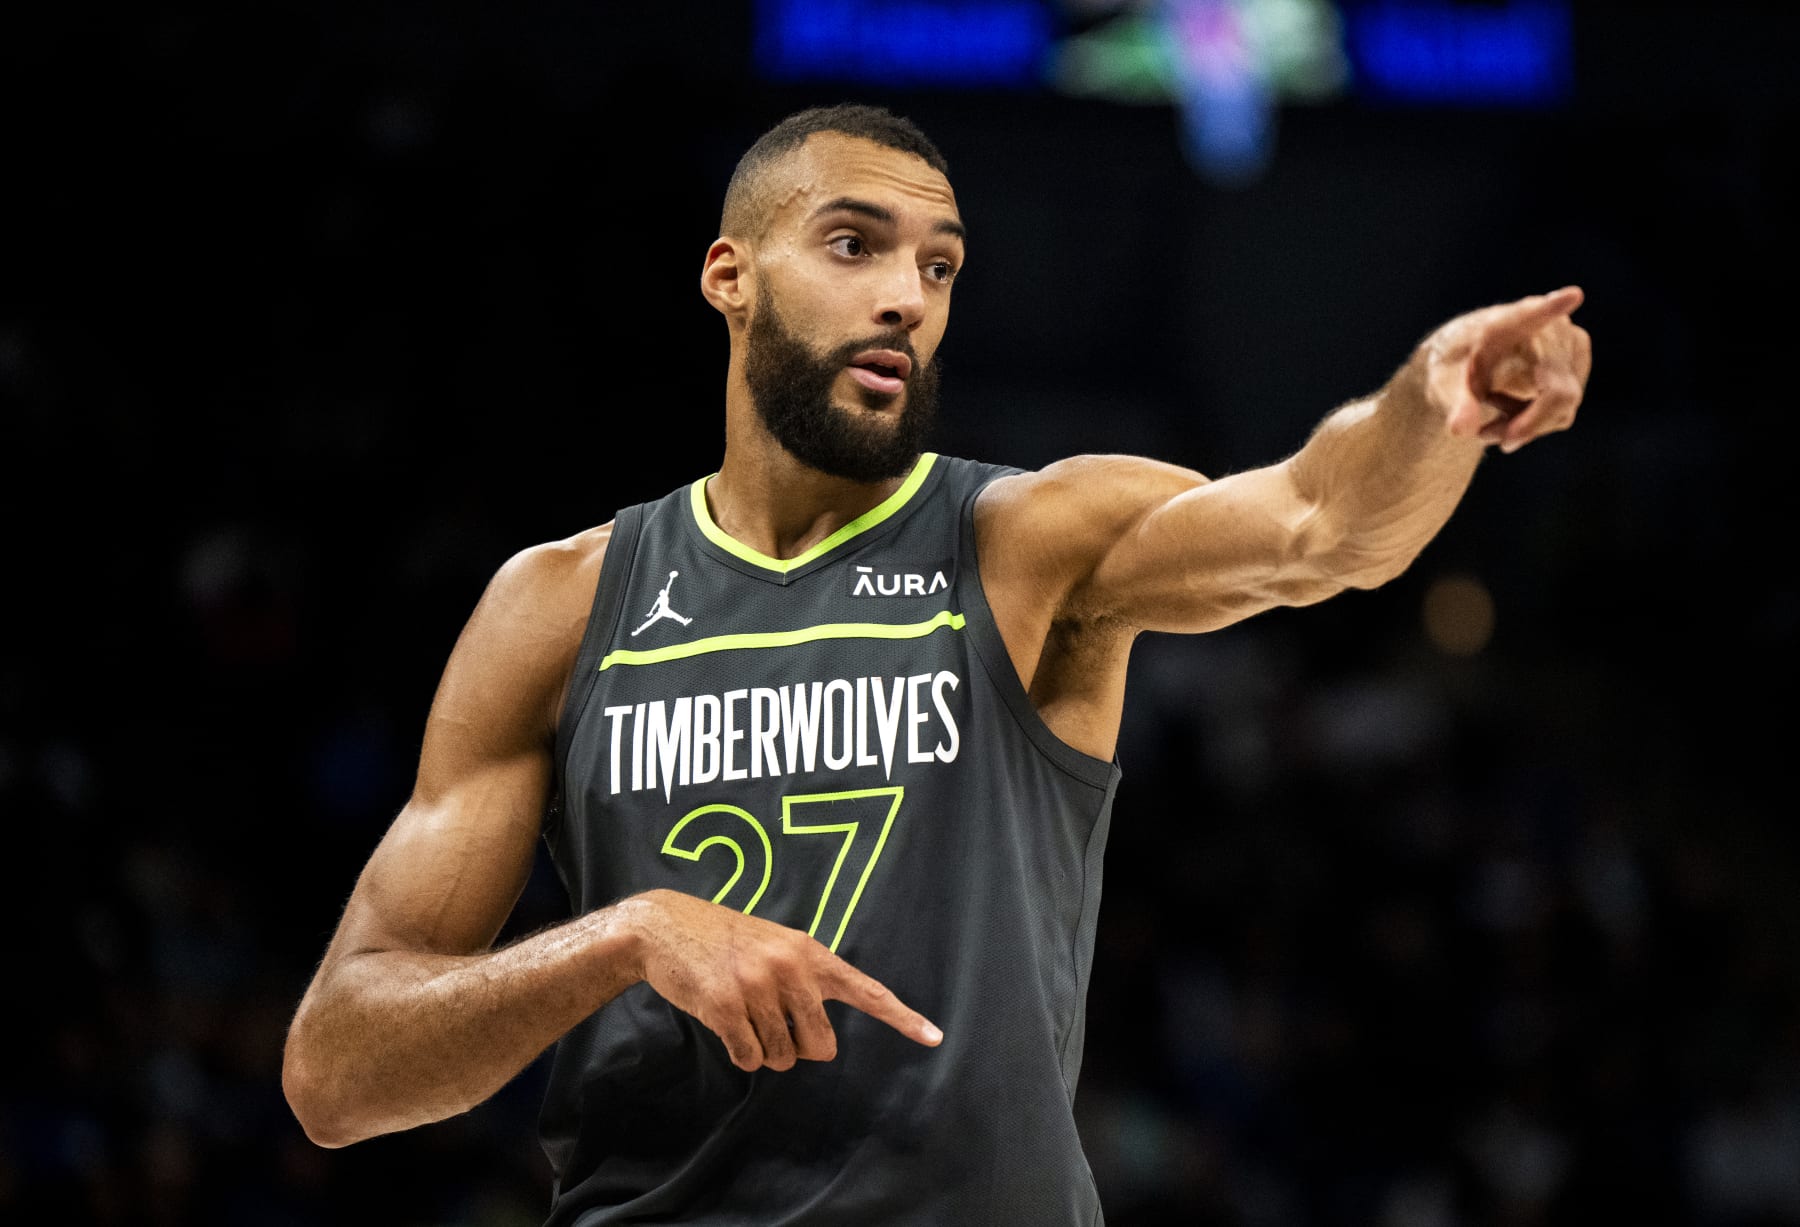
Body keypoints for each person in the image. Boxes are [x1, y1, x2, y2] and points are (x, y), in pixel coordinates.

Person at [281, 102, 1592, 1224]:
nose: (907, 296)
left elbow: (1321, 526)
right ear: (729, 275)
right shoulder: (559, 607)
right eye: (854, 245)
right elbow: (336, 1072)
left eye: (941, 266)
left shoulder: (1028, 543)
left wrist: (1434, 396)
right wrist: (626, 937)